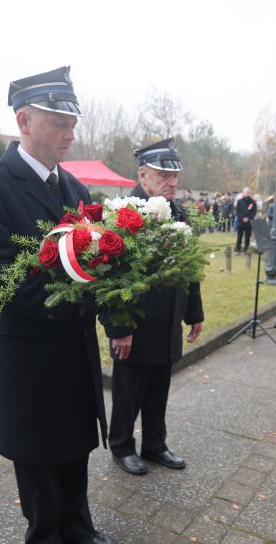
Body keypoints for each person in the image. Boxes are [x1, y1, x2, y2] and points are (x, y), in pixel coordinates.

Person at [0, 66, 115, 544]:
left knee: (75, 436)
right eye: (59, 123)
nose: (70, 134)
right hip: (28, 345)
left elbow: (89, 259)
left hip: (72, 343)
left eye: (72, 124)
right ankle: (45, 535)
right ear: (24, 121)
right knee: (38, 443)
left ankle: (78, 524)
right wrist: (68, 297)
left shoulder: (73, 186)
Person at [102, 138, 204, 477]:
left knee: (159, 390)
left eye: (175, 176)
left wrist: (195, 314)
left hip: (168, 321)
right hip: (135, 324)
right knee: (128, 392)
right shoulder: (123, 215)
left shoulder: (179, 214)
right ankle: (121, 446)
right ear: (143, 175)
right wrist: (119, 329)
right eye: (164, 176)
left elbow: (190, 271)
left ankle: (155, 444)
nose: (172, 183)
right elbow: (108, 278)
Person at [234, 187, 256, 255]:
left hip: (248, 223)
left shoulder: (253, 202)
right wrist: (242, 218)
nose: (246, 194)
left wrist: (248, 218)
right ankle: (238, 249)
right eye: (245, 193)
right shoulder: (239, 201)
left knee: (247, 237)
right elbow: (237, 211)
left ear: (250, 193)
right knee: (239, 237)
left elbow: (254, 212)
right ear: (243, 193)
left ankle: (246, 249)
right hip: (240, 222)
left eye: (248, 193)